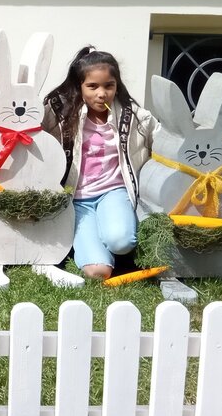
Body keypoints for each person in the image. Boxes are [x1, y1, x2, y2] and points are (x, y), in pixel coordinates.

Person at [41, 47, 157, 279]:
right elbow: (23, 127)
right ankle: (90, 243)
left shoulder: (134, 116)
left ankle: (112, 238)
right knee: (98, 272)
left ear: (117, 86)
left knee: (121, 242)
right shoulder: (60, 114)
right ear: (80, 87)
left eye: (108, 86)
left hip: (113, 192)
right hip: (77, 200)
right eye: (92, 86)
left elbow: (170, 140)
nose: (101, 93)